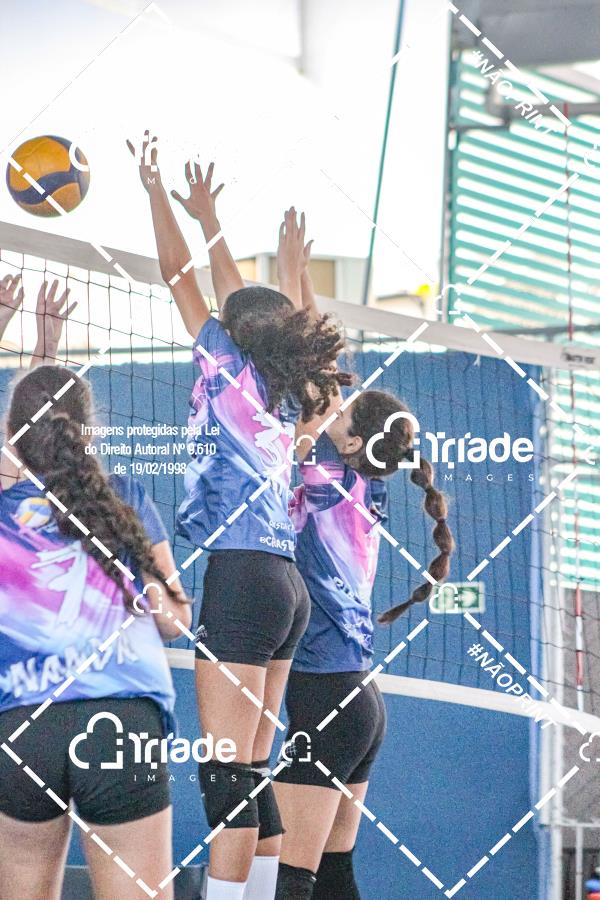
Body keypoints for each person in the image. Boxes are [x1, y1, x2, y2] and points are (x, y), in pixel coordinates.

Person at [129, 134, 350, 900]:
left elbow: (178, 275)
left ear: (230, 332)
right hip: (286, 589)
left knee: (227, 776)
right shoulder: (293, 387)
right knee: (248, 771)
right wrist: (219, 227)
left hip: (243, 577)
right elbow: (241, 301)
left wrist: (158, 192)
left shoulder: (223, 363)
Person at [270, 221, 455, 900]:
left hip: (326, 698)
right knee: (332, 876)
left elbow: (317, 361)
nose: (334, 405)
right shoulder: (365, 478)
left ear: (350, 442)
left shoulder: (323, 466)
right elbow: (326, 363)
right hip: (357, 703)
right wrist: (299, 275)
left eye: (343, 412)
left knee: (291, 880)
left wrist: (291, 273)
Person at [0, 358, 193, 899]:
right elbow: (173, 621)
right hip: (121, 721)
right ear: (88, 432)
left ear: (14, 439)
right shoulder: (122, 496)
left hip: (23, 725)